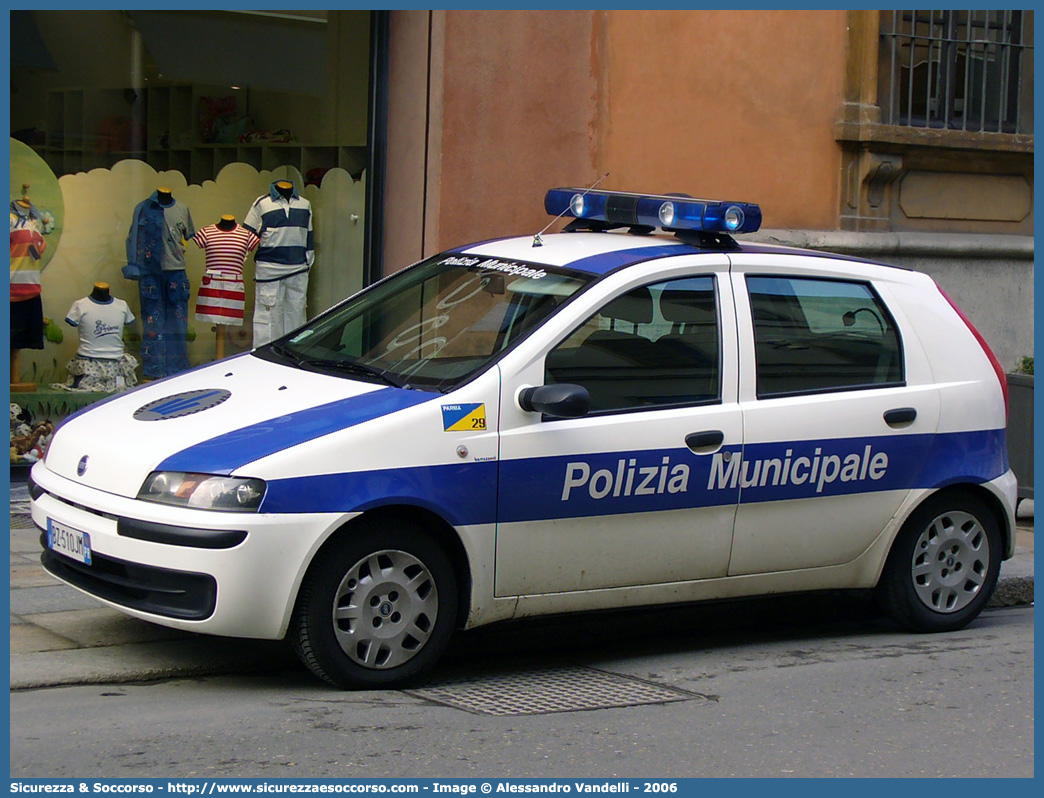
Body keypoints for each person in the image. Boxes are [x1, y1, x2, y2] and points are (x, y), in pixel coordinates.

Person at [125, 187, 195, 378]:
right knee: (152, 323)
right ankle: (154, 371)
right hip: (150, 272)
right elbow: (132, 239)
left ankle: (177, 371)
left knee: (178, 323)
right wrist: (134, 265)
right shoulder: (143, 208)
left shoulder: (182, 208)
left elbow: (187, 237)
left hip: (177, 272)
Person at [243, 180, 313, 347]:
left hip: (298, 270)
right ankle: (265, 358)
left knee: (297, 318)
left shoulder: (305, 204)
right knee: (267, 320)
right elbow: (246, 238)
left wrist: (307, 266)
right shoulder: (261, 203)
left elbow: (308, 238)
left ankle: (293, 359)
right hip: (269, 272)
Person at [52, 282, 139, 393]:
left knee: (118, 398)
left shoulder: (122, 305)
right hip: (88, 365)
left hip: (117, 365)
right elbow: (72, 321)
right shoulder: (80, 305)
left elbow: (129, 320)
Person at [193, 214, 259, 359]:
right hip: (211, 284)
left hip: (233, 285)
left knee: (227, 324)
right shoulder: (206, 232)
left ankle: (219, 360)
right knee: (215, 323)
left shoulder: (247, 235)